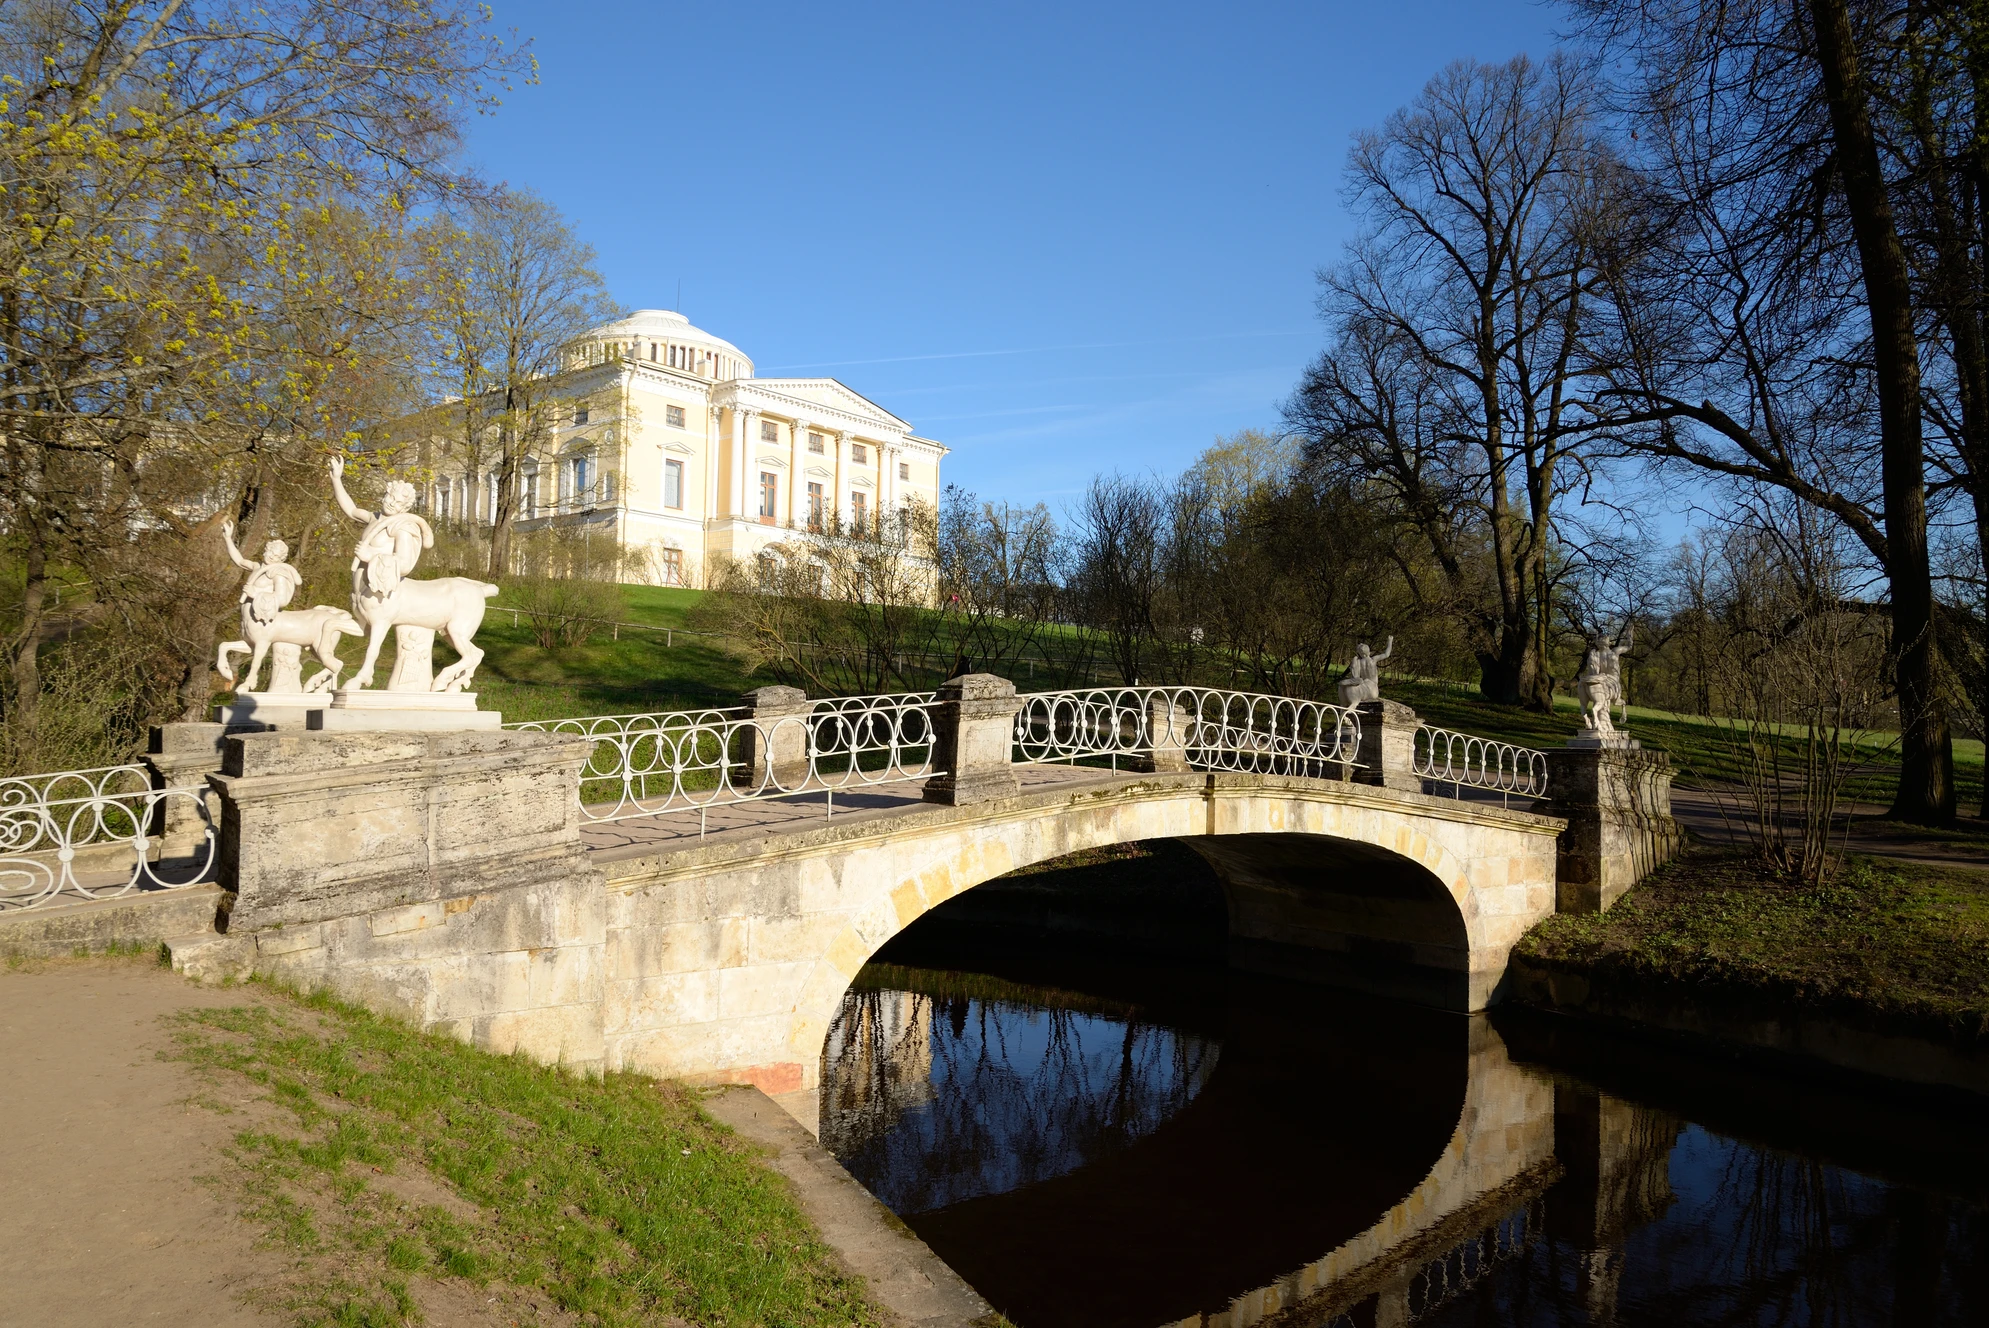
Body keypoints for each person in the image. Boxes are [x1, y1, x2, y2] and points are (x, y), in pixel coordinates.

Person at [329, 454, 432, 603]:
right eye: (391, 498)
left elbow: (404, 565)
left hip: (380, 593)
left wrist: (371, 555)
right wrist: (336, 480)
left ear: (404, 508)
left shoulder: (401, 528)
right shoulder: (374, 518)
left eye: (398, 503)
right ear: (384, 496)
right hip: (359, 589)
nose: (392, 503)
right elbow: (351, 510)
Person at [222, 521, 302, 626]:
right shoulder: (257, 566)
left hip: (262, 619)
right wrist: (228, 538)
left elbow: (282, 600)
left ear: (281, 560)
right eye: (271, 552)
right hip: (246, 617)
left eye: (277, 556)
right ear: (265, 551)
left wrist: (255, 594)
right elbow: (239, 561)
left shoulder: (277, 573)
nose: (272, 557)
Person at [1337, 635, 1394, 708]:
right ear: (1368, 652)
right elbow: (1386, 654)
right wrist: (1390, 641)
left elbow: (1356, 674)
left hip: (1365, 684)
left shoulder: (1359, 662)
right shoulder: (1373, 660)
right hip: (1373, 688)